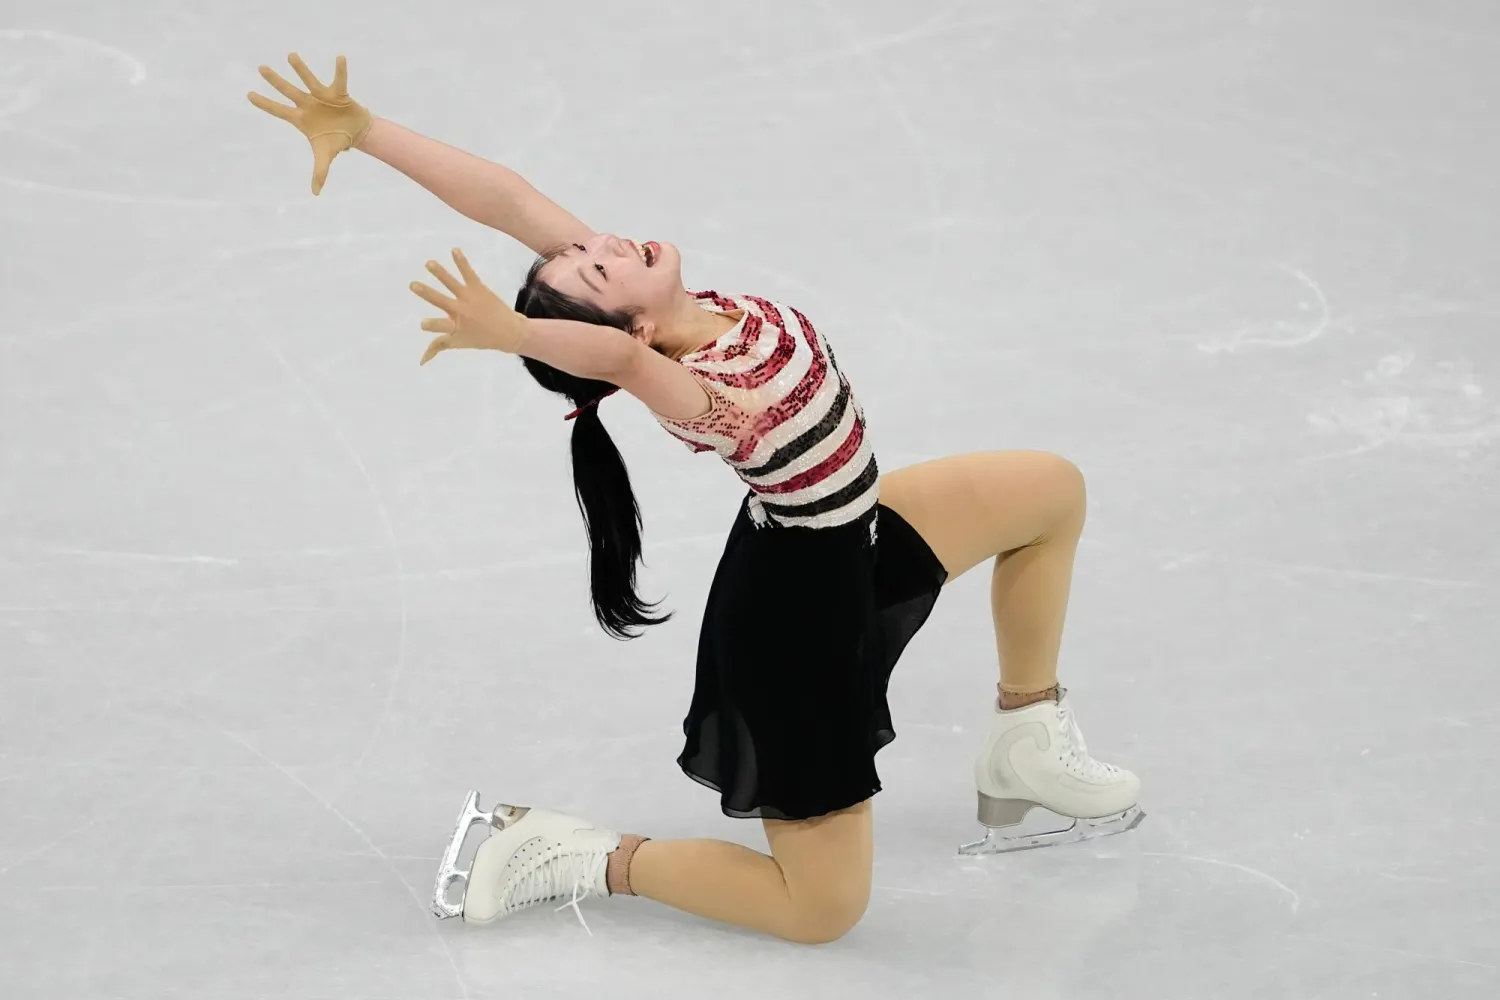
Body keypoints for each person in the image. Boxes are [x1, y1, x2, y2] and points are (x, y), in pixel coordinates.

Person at [249, 53, 1143, 945]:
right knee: (822, 910)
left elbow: (510, 199)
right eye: (598, 268)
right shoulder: (696, 385)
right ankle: (573, 853)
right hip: (795, 625)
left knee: (1049, 491)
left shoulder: (672, 303)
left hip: (855, 536)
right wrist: (514, 332)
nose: (604, 243)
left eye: (589, 248)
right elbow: (625, 363)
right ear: (632, 324)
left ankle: (1025, 739)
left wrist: (366, 132)